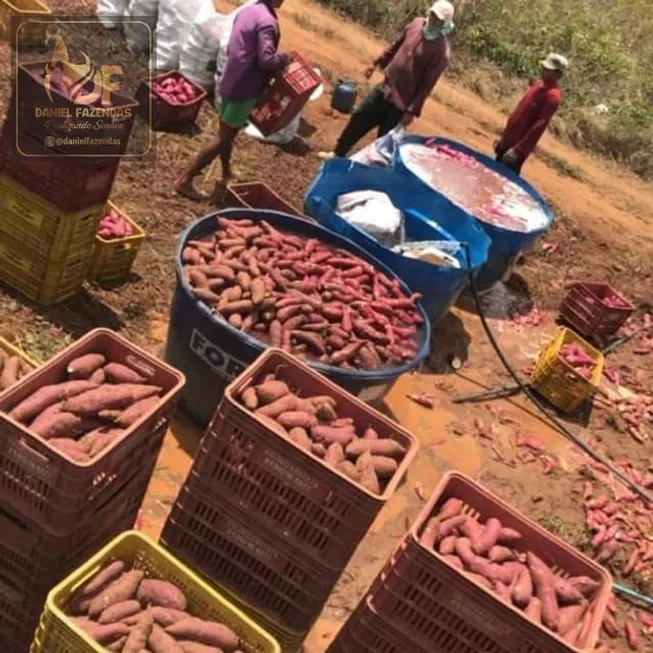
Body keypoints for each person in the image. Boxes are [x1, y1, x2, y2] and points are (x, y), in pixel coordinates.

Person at [176, 0, 289, 200]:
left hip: (229, 78)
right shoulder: (267, 22)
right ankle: (185, 180)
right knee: (224, 136)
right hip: (246, 86)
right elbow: (266, 60)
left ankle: (226, 171)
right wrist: (285, 59)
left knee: (227, 130)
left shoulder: (249, 11)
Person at [318, 0, 454, 161]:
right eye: (432, 14)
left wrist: (411, 111)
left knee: (383, 144)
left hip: (401, 104)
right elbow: (396, 46)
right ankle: (338, 152)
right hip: (385, 88)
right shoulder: (416, 24)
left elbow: (426, 86)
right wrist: (376, 63)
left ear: (444, 23)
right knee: (359, 117)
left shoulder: (441, 52)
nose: (432, 19)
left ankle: (370, 175)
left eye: (437, 18)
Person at [494, 53, 568, 175]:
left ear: (558, 74)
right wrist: (504, 137)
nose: (543, 70)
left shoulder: (553, 97)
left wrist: (518, 150)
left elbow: (538, 127)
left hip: (517, 147)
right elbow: (519, 111)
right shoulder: (538, 85)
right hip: (509, 139)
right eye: (544, 68)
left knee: (505, 182)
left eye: (548, 70)